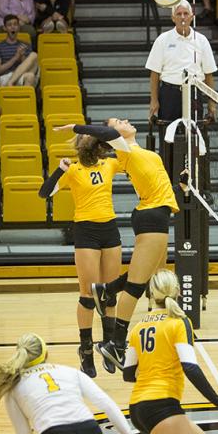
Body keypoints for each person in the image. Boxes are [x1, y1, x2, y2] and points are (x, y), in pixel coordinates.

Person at [54, 120, 181, 374]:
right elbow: (107, 133)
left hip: (159, 212)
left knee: (153, 275)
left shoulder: (136, 150)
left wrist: (181, 187)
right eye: (118, 122)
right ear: (113, 136)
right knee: (136, 286)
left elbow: (158, 183)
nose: (124, 122)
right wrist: (78, 127)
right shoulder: (123, 149)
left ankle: (107, 290)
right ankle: (116, 344)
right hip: (150, 215)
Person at [39, 132, 128, 377]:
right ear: (80, 145)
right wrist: (59, 170)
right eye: (85, 136)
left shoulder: (110, 163)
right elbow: (44, 193)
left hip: (109, 229)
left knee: (110, 294)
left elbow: (128, 153)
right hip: (86, 231)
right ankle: (86, 351)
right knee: (88, 295)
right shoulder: (73, 169)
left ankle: (109, 346)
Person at [123, 269, 218, 434]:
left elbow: (127, 374)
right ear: (178, 291)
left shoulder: (138, 327)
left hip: (138, 407)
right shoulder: (180, 322)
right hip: (160, 405)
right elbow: (190, 368)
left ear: (150, 294)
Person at [0, 332, 141, 434]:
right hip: (89, 429)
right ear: (46, 354)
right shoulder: (69, 371)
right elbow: (107, 404)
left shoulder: (13, 386)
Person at [146, 0, 217, 123]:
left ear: (191, 17)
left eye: (185, 13)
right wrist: (154, 100)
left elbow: (209, 74)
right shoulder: (162, 39)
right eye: (178, 14)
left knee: (194, 137)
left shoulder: (202, 40)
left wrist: (212, 103)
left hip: (193, 93)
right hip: (169, 95)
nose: (182, 17)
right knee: (168, 137)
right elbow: (154, 73)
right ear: (173, 18)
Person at [0, 14, 38, 86]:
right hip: (5, 77)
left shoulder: (25, 45)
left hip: (21, 75)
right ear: (4, 28)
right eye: (9, 25)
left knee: (33, 57)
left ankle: (11, 82)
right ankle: (11, 82)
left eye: (15, 24)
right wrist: (15, 57)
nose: (13, 27)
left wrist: (21, 56)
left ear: (18, 27)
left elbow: (29, 68)